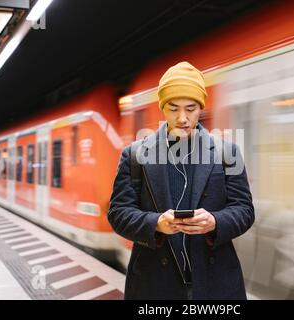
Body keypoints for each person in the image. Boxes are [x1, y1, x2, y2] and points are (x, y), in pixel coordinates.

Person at [107, 61, 254, 300]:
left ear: (201, 108)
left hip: (215, 286)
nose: (182, 118)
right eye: (173, 108)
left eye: (191, 108)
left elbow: (245, 211)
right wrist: (155, 223)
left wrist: (215, 221)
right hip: (154, 287)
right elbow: (118, 213)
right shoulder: (135, 155)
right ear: (163, 108)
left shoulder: (227, 153)